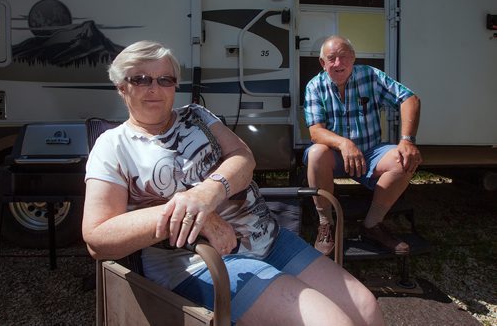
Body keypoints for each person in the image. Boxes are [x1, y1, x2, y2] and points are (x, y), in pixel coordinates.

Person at [82, 40, 385, 325]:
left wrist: (207, 193)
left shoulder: (197, 115)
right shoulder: (113, 145)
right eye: (141, 79)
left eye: (165, 79)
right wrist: (194, 217)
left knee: (366, 309)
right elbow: (98, 238)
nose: (154, 88)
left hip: (267, 238)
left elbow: (243, 157)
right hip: (204, 262)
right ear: (121, 87)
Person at [304, 35, 422, 256]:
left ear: (353, 58)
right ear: (323, 63)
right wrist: (344, 143)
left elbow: (409, 99)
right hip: (335, 155)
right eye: (331, 59)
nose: (338, 64)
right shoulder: (315, 86)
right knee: (317, 153)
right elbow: (315, 132)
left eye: (344, 57)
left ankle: (372, 225)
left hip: (370, 152)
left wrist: (407, 140)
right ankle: (325, 225)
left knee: (403, 159)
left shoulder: (370, 76)